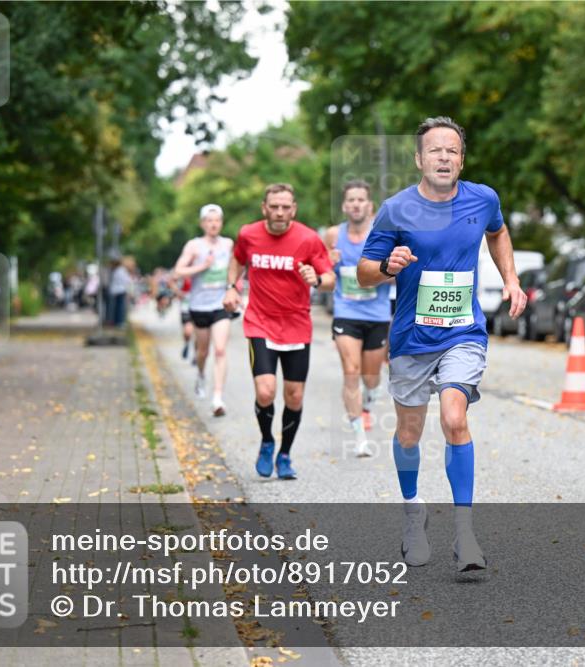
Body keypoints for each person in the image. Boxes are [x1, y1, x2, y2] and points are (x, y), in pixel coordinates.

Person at [357, 117, 527, 572]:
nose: (444, 158)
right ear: (419, 159)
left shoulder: (482, 198)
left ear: (462, 159)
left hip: (462, 333)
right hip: (412, 336)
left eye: (452, 151)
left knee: (455, 418)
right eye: (435, 150)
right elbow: (364, 271)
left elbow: (498, 231)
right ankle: (414, 512)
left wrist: (511, 279)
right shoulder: (396, 210)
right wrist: (388, 266)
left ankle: (465, 534)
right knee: (409, 433)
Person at [223, 184, 335, 480]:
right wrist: (232, 287)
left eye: (285, 207)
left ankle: (284, 454)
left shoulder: (309, 239)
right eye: (274, 206)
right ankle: (266, 441)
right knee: (265, 390)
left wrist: (317, 278)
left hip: (297, 324)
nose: (280, 212)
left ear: (293, 209)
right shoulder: (248, 234)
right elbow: (237, 258)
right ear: (264, 208)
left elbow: (331, 279)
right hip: (259, 321)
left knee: (294, 396)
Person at [324, 180, 391, 458]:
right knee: (351, 371)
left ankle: (368, 402)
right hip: (346, 313)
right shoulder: (332, 235)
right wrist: (327, 261)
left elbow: (396, 269)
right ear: (344, 205)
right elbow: (323, 275)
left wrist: (378, 272)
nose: (355, 204)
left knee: (371, 377)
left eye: (361, 199)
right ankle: (359, 437)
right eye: (350, 200)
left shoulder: (383, 233)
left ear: (370, 205)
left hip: (377, 314)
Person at [173, 204, 236, 417]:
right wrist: (202, 267)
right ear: (202, 224)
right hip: (199, 306)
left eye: (217, 220)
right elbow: (179, 270)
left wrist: (234, 289)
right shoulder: (194, 246)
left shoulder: (228, 244)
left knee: (220, 350)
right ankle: (200, 373)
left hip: (220, 305)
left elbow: (236, 268)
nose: (213, 224)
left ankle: (218, 398)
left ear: (221, 222)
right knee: (203, 352)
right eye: (209, 220)